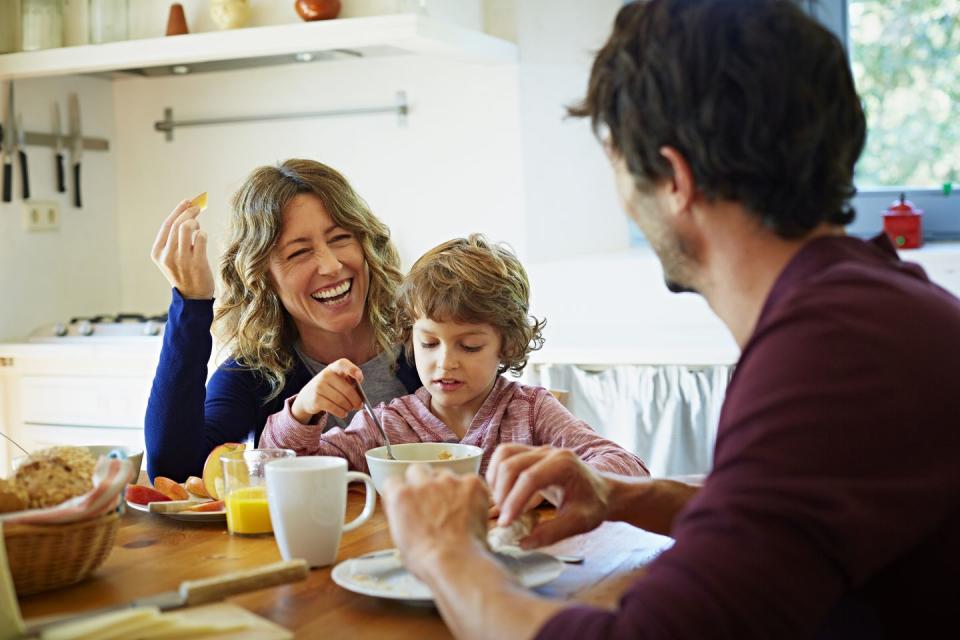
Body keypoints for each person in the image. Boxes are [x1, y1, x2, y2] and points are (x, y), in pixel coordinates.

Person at [380, 1, 960, 638]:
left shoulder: (830, 357)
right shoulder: (872, 309)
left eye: (618, 166)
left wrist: (444, 554)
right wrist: (623, 495)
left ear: (675, 179)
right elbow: (775, 520)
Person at [260, 235, 649, 478]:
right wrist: (303, 413)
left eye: (470, 346)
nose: (445, 362)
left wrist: (559, 479)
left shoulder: (530, 413)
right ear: (409, 340)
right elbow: (279, 469)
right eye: (429, 344)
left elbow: (627, 468)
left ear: (507, 345)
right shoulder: (390, 425)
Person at [145, 159, 421, 481]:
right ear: (264, 278)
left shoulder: (429, 345)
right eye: (299, 252)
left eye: (340, 238)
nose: (331, 266)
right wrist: (191, 304)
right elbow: (176, 472)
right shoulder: (255, 374)